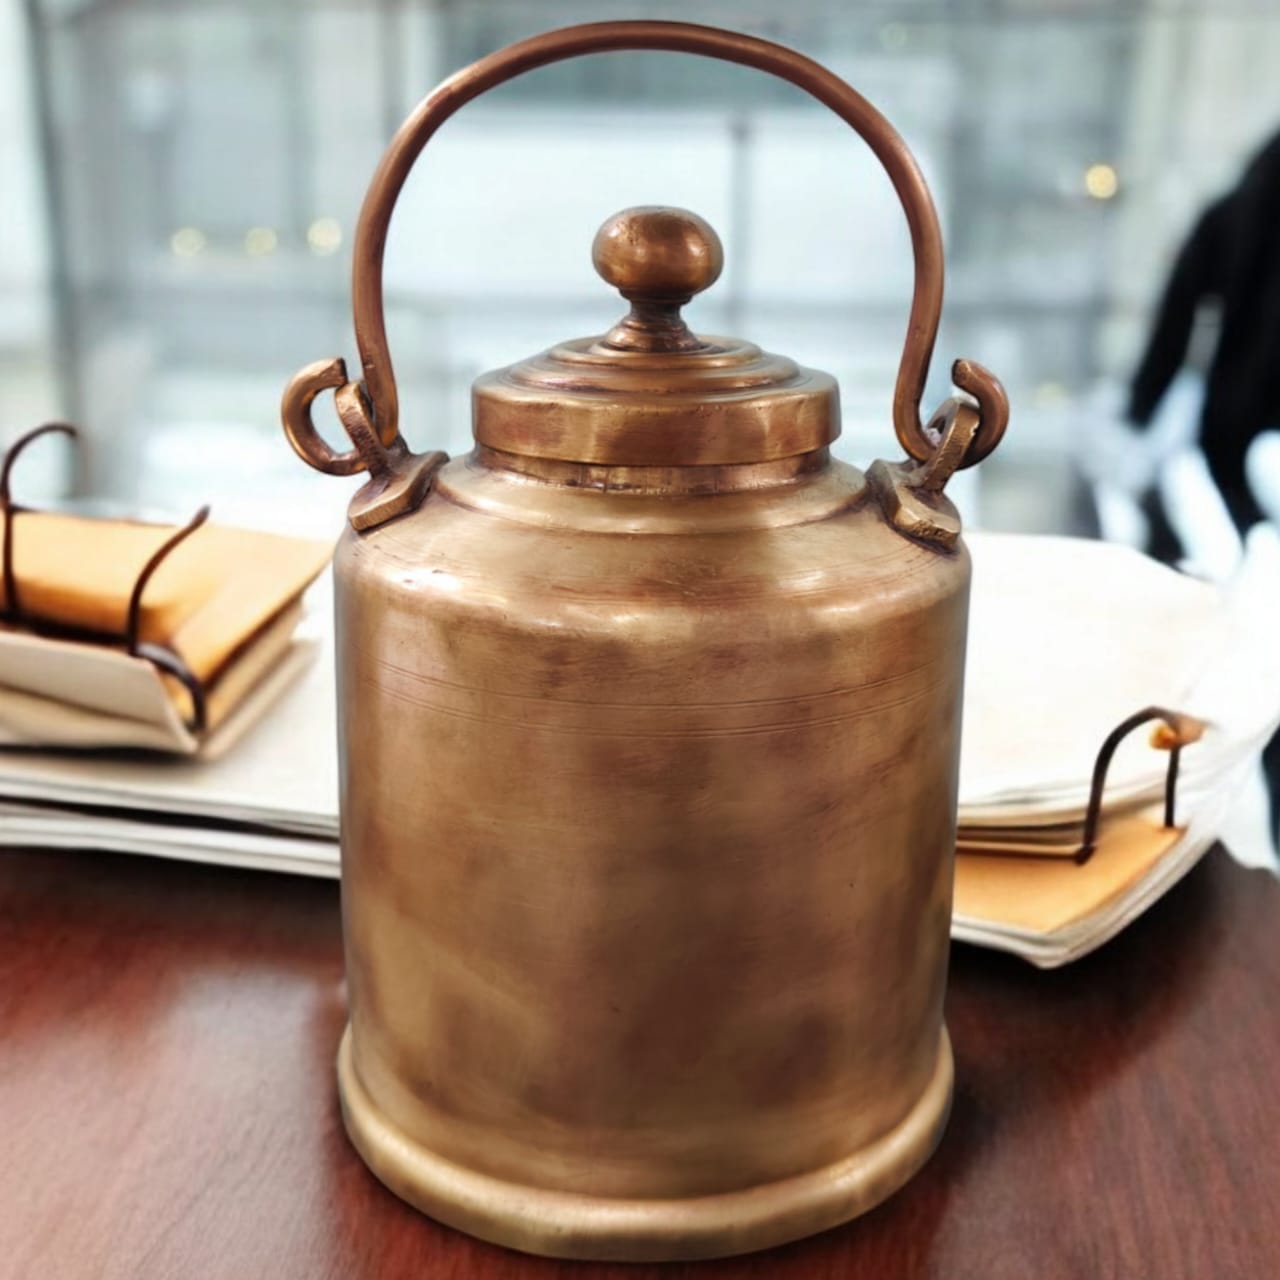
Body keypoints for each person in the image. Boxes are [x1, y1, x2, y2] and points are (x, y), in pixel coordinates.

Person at [1127, 127, 1280, 536]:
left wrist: (1142, 404)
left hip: (1231, 410)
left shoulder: (1233, 211)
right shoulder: (1234, 213)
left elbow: (1176, 317)